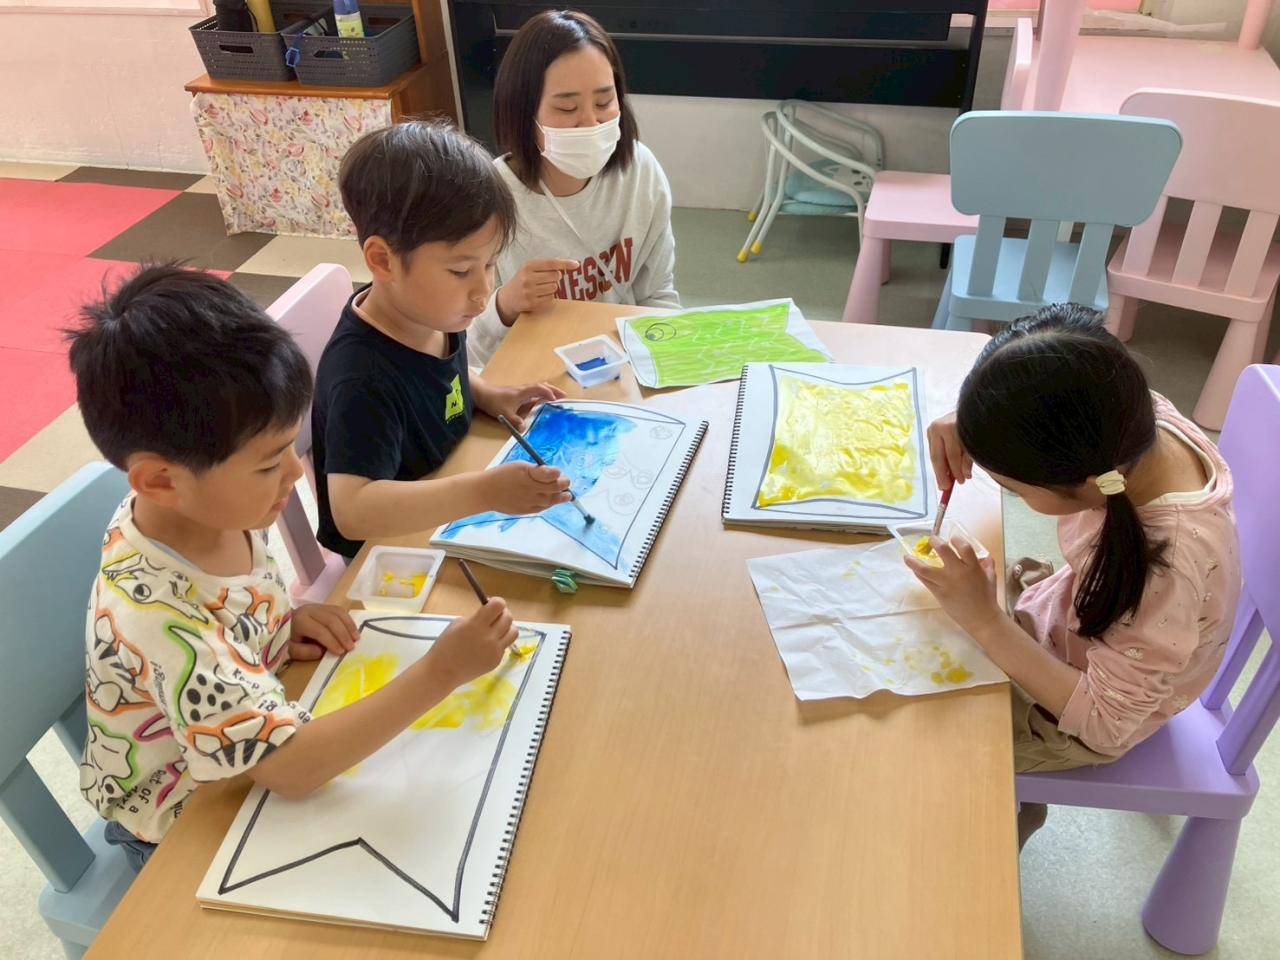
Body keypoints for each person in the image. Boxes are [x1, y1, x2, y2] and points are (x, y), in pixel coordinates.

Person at [68, 266, 519, 869]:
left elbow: (226, 612)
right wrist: (443, 670)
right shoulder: (157, 618)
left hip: (247, 734)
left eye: (289, 447)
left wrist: (277, 621)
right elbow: (295, 769)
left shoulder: (204, 508)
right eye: (267, 463)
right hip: (182, 824)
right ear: (160, 481)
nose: (293, 474)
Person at [907, 303, 1240, 847]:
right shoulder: (1129, 419)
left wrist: (986, 621)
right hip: (1089, 632)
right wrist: (976, 423)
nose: (1009, 492)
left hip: (1086, 714)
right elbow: (1052, 383)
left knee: (915, 739)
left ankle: (1003, 823)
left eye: (1014, 487)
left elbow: (1105, 723)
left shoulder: (1163, 568)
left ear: (1085, 482)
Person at [314, 121, 573, 560]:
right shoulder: (362, 378)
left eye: (490, 264)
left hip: (446, 500)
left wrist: (486, 393)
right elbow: (352, 511)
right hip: (389, 553)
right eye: (461, 270)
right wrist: (482, 492)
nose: (483, 290)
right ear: (383, 261)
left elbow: (432, 377)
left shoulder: (429, 309)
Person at [468, 8, 681, 366]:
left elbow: (658, 295)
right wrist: (505, 305)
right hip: (530, 375)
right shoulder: (488, 200)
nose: (591, 123)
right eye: (567, 108)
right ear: (524, 113)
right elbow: (468, 351)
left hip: (623, 365)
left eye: (604, 102)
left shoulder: (640, 171)